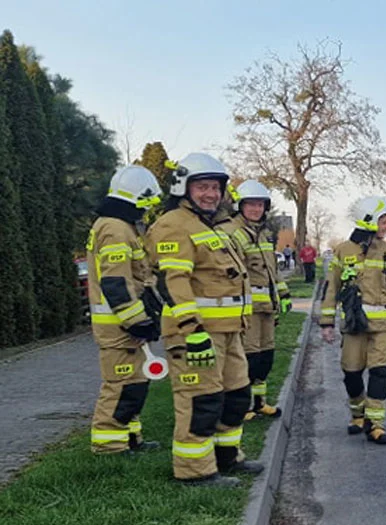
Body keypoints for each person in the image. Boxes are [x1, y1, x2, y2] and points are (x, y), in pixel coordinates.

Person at [148, 152, 262, 487]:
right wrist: (191, 329)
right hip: (197, 335)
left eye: (215, 187)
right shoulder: (173, 225)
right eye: (203, 187)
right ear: (184, 187)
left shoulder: (207, 226)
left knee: (237, 394)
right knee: (201, 401)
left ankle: (227, 457)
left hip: (228, 333)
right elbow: (173, 280)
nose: (211, 193)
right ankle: (194, 472)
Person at [319, 196, 386, 445]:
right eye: (383, 220)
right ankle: (358, 414)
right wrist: (326, 322)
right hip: (354, 327)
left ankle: (375, 425)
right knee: (351, 373)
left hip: (382, 328)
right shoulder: (343, 251)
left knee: (380, 372)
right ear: (367, 221)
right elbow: (331, 288)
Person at [87, 165, 164, 455]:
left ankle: (131, 438)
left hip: (123, 324)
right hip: (118, 325)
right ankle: (109, 448)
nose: (146, 211)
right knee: (120, 385)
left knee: (134, 383)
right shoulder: (115, 229)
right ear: (136, 198)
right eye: (146, 204)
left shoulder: (119, 225)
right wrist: (136, 321)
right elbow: (116, 281)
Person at [222, 179, 290, 421]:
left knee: (265, 357)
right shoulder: (234, 233)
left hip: (266, 307)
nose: (255, 209)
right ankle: (245, 405)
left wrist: (283, 293)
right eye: (250, 204)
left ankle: (260, 402)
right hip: (247, 308)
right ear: (240, 206)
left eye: (260, 205)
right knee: (248, 358)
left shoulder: (263, 234)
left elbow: (272, 269)